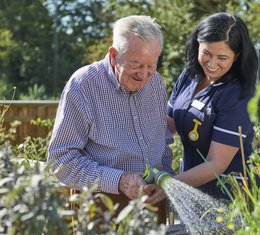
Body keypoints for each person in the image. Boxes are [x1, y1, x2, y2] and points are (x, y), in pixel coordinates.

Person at [47, 15, 174, 223]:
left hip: (152, 206)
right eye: (136, 65)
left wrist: (165, 179)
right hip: (101, 208)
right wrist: (120, 180)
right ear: (114, 56)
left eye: (151, 66)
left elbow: (164, 145)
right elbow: (60, 160)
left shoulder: (157, 84)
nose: (144, 75)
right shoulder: (84, 85)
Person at [167, 12, 260, 200]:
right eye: (206, 53)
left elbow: (215, 164)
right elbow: (167, 127)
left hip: (229, 197)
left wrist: (168, 185)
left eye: (222, 58)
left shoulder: (238, 95)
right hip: (190, 187)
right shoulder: (189, 75)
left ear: (237, 56)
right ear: (197, 44)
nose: (211, 64)